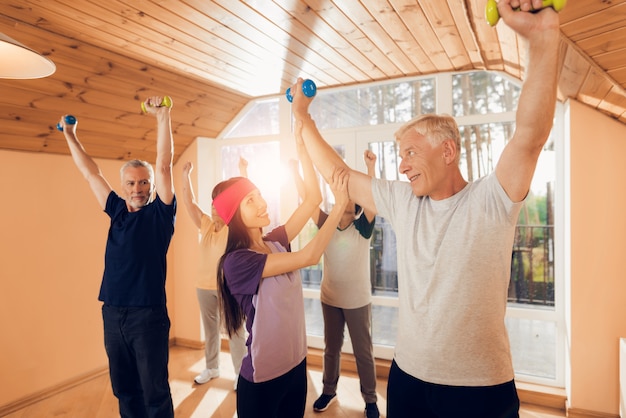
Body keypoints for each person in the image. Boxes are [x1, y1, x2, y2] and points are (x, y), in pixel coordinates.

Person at [288, 1, 561, 416]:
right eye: (401, 155)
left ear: (447, 150)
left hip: (479, 388)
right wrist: (303, 120)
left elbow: (530, 134)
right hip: (408, 379)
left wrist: (543, 38)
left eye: (411, 152)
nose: (402, 165)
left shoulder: (491, 199)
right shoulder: (403, 201)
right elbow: (338, 175)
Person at [215, 134, 349, 418]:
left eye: (259, 194)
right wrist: (339, 207)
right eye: (250, 200)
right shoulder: (237, 262)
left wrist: (302, 148)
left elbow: (312, 198)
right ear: (235, 215)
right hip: (262, 378)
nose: (262, 202)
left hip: (297, 365)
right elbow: (309, 257)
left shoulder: (276, 241)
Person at [58, 96, 176, 418]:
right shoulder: (117, 212)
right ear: (123, 186)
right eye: (130, 183)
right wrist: (70, 135)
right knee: (124, 389)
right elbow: (90, 173)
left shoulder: (161, 215)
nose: (137, 188)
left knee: (154, 392)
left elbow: (164, 164)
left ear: (151, 185)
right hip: (112, 313)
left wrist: (162, 117)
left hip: (147, 316)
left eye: (143, 182)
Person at [292, 150, 380, 417]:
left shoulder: (362, 228)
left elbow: (373, 201)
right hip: (330, 299)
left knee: (363, 353)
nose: (351, 203)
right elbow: (306, 199)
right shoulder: (326, 225)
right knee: (331, 349)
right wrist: (295, 171)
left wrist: (370, 166)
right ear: (338, 203)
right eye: (346, 199)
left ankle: (370, 400)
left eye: (354, 200)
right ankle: (329, 391)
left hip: (357, 302)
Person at [180, 157, 248, 388]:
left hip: (228, 288)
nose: (213, 206)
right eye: (212, 203)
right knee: (210, 331)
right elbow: (189, 203)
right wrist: (185, 177)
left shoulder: (234, 228)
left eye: (218, 203)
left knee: (236, 332)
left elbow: (243, 201)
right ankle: (212, 367)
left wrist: (243, 172)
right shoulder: (207, 225)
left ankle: (241, 374)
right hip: (203, 286)